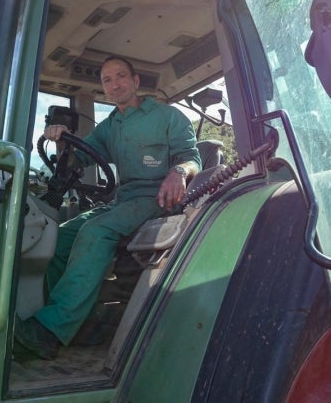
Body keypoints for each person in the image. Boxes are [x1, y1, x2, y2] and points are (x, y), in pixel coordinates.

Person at [14, 56, 201, 360]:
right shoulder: (111, 125)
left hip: (158, 200)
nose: (114, 85)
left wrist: (178, 173)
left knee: (95, 231)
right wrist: (62, 140)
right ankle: (78, 324)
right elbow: (81, 158)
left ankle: (49, 332)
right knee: (58, 238)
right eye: (107, 80)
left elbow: (192, 157)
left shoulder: (167, 116)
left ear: (135, 81)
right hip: (122, 201)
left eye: (120, 77)